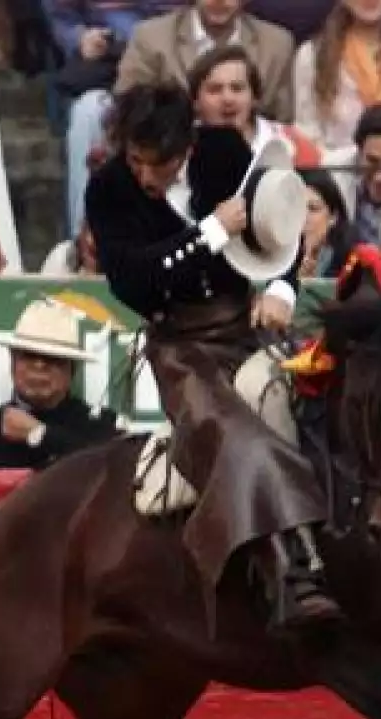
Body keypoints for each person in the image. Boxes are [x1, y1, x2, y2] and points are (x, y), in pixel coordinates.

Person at [83, 81, 337, 635]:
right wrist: (211, 233)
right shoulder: (108, 188)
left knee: (302, 399)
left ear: (187, 149)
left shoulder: (223, 152)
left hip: (248, 326)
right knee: (230, 429)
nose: (147, 177)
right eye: (136, 161)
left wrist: (283, 290)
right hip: (182, 347)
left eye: (161, 163)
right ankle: (288, 568)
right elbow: (134, 282)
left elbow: (281, 225)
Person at [0, 299, 119, 471]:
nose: (39, 366)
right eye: (28, 355)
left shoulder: (101, 428)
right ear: (12, 361)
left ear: (72, 369)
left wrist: (40, 434)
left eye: (52, 358)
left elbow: (107, 472)